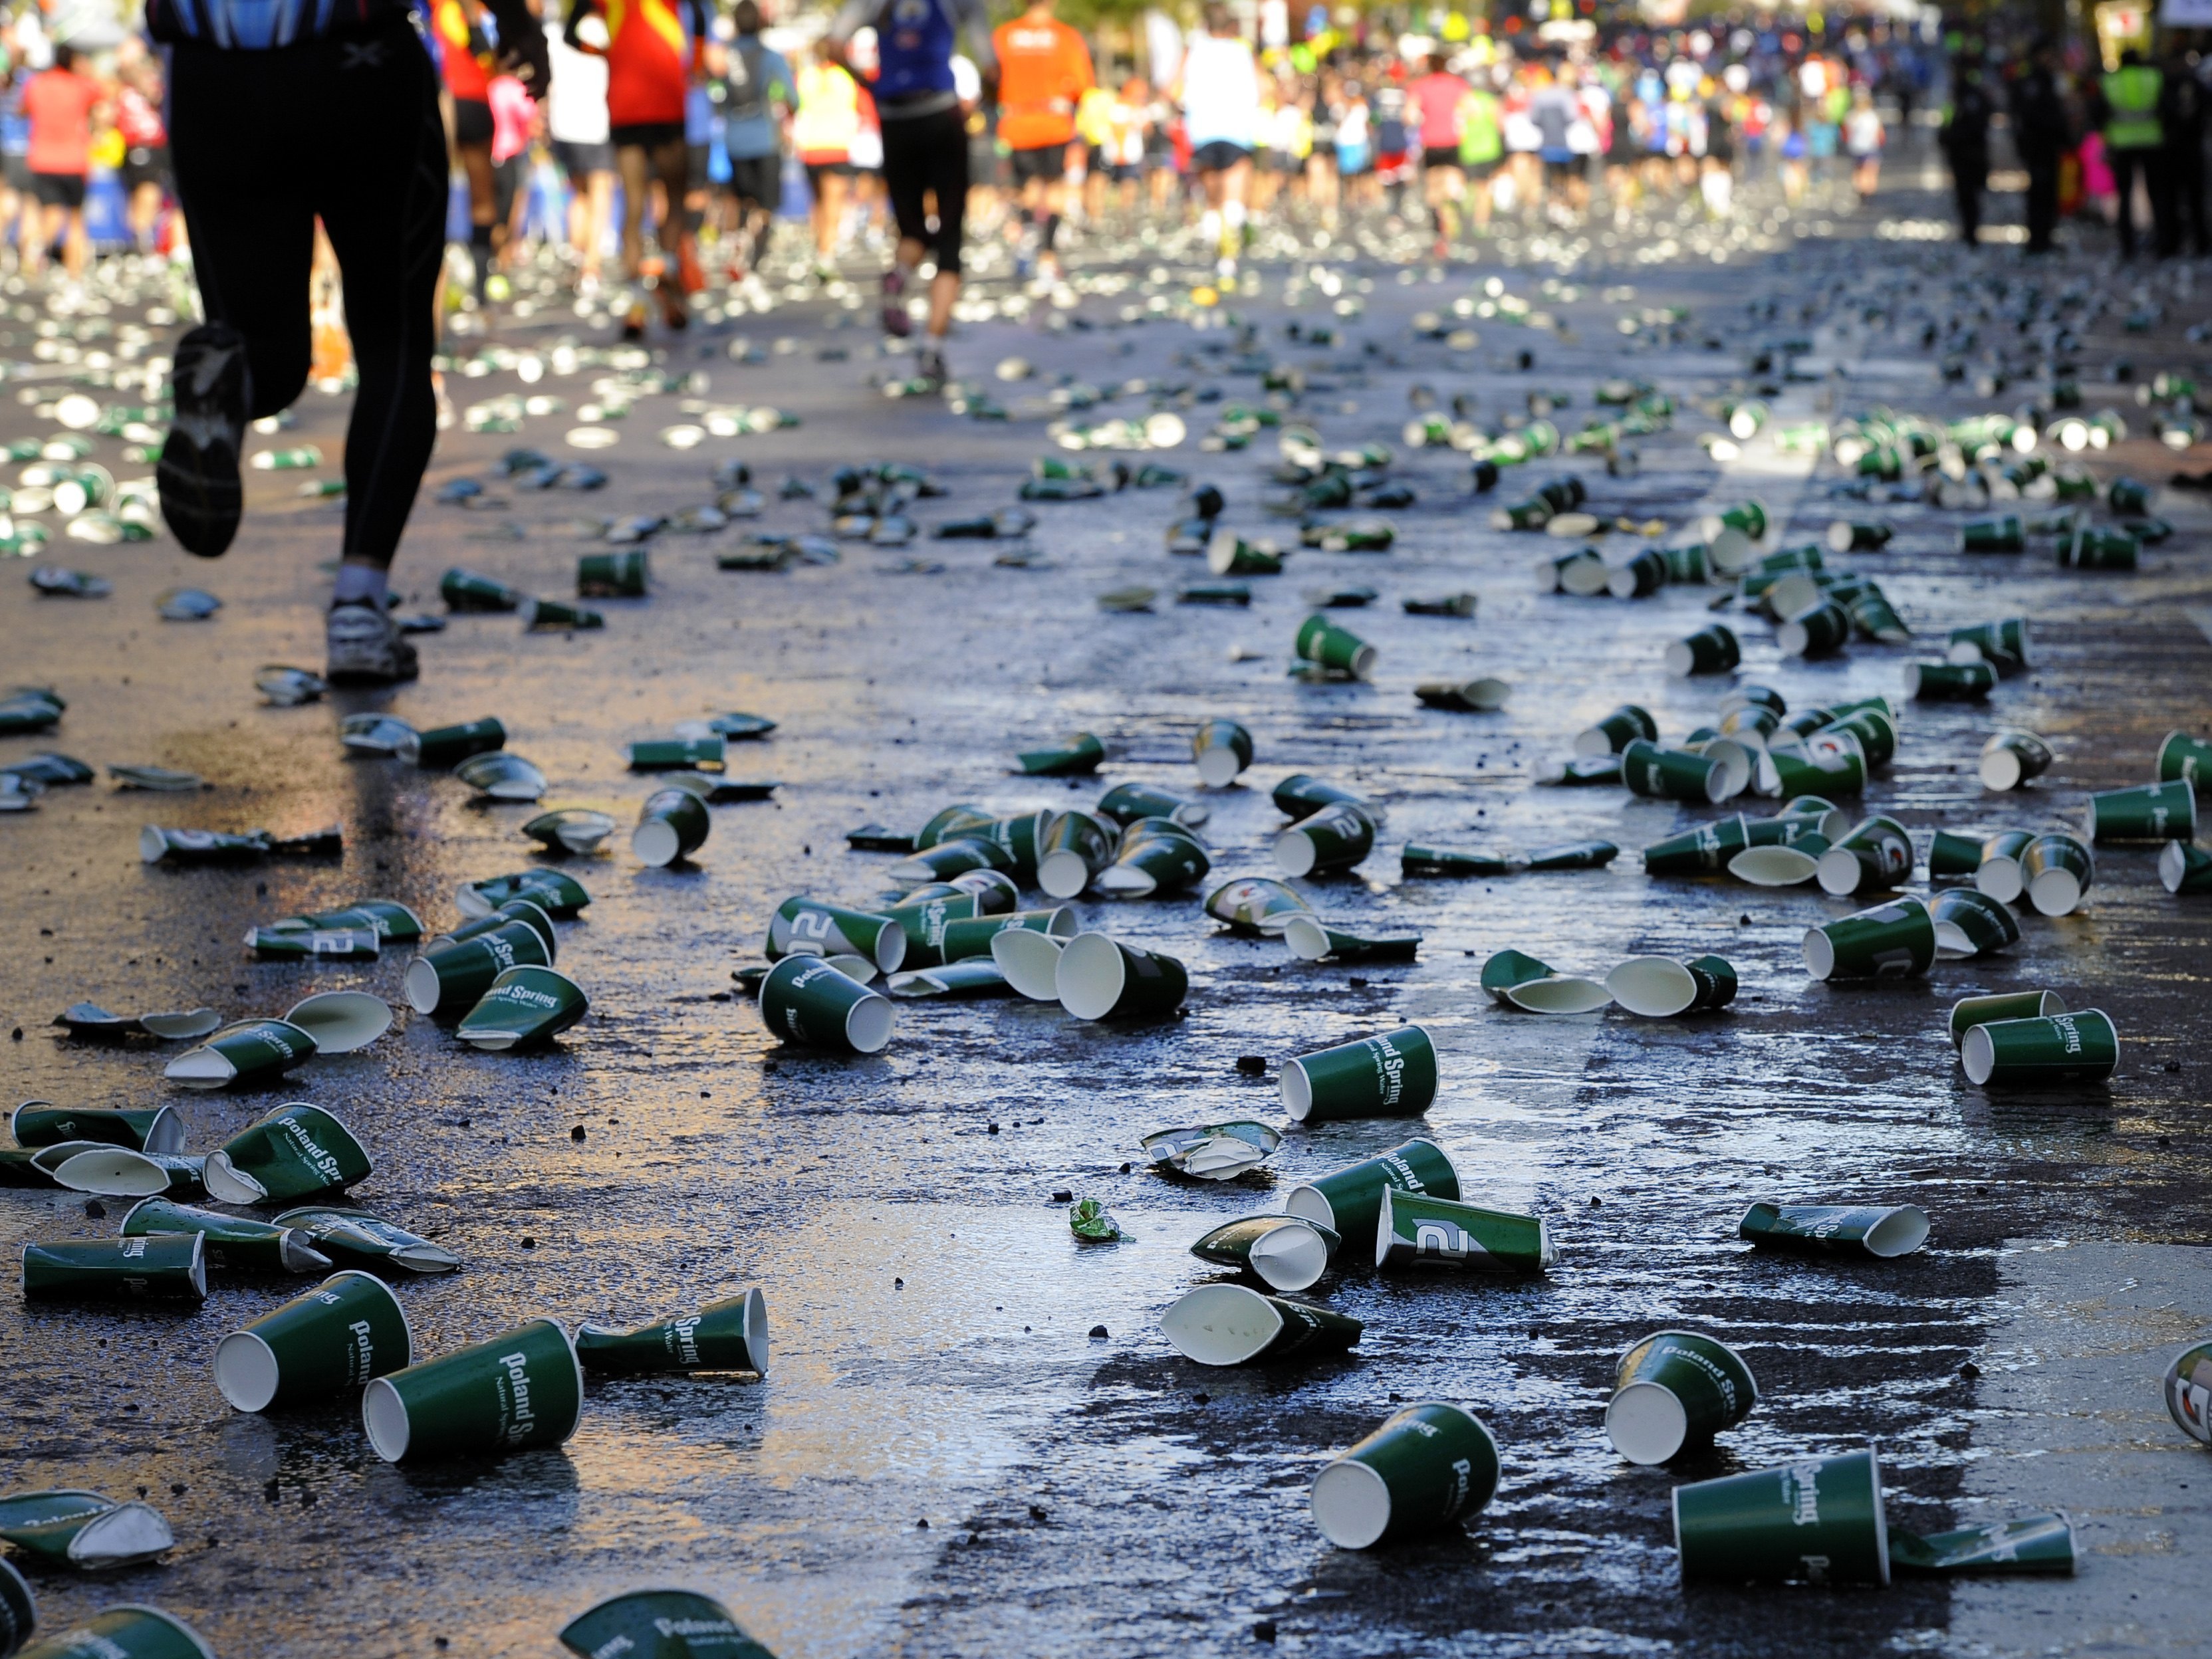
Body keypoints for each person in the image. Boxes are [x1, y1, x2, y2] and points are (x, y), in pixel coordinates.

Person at [146, 0, 548, 683]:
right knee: (395, 347)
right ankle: (358, 610)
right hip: (360, 62)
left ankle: (224, 382)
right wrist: (512, 18)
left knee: (260, 351)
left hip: (211, 74)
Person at [828, 0, 996, 386]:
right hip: (940, 112)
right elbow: (991, 65)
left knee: (913, 228)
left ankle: (898, 275)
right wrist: (986, 101)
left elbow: (835, 46)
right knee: (950, 240)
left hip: (894, 118)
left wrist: (872, 85)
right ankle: (931, 349)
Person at [566, 0, 707, 328]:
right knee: (672, 197)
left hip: (626, 105)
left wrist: (603, 53)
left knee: (634, 204)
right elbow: (699, 14)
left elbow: (569, 35)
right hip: (666, 100)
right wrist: (696, 61)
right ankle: (669, 276)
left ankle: (637, 300)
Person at [992, 0, 1091, 283]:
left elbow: (991, 76)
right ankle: (1048, 257)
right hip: (1053, 124)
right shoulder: (1065, 36)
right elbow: (1083, 85)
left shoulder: (1004, 35)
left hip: (1017, 124)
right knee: (1054, 189)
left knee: (1028, 188)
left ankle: (1027, 239)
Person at [1175, 4, 1260, 278]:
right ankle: (1228, 257)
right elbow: (1264, 87)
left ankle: (1216, 242)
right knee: (1233, 193)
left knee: (1212, 196)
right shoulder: (1243, 51)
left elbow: (1172, 88)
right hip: (1237, 129)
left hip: (1202, 130)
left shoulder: (1194, 51)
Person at [715, 0, 790, 282]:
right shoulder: (770, 56)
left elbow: (714, 91)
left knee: (745, 199)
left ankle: (742, 248)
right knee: (767, 204)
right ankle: (753, 257)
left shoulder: (725, 55)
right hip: (765, 138)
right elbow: (791, 96)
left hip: (734, 139)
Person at [433, 0, 500, 302]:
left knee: (433, 195)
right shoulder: (478, 9)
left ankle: (465, 286)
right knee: (481, 198)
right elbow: (490, 55)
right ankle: (479, 290)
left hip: (444, 101)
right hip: (468, 101)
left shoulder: (434, 8)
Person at [546, 5, 614, 289]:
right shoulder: (605, 31)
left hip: (564, 125)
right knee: (601, 195)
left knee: (579, 194)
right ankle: (591, 266)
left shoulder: (553, 33)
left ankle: (578, 256)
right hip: (598, 123)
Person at [21, 42, 100, 282]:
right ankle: (74, 276)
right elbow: (104, 99)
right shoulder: (81, 86)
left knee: (49, 214)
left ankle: (36, 249)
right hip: (74, 161)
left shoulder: (37, 84)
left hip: (42, 159)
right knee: (76, 220)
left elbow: (23, 109)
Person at [791, 43, 859, 279]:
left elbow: (792, 106)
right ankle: (825, 255)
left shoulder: (804, 77)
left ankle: (820, 250)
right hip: (837, 145)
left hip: (810, 147)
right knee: (833, 204)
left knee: (817, 203)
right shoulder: (845, 77)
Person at [2093, 46, 2165, 259]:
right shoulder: (2153, 78)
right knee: (2157, 193)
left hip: (2121, 143)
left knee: (2124, 194)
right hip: (2152, 141)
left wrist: (2104, 138)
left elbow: (2099, 112)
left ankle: (2128, 245)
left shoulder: (2110, 81)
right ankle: (2162, 241)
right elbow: (2165, 107)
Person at [2010, 37, 2068, 255]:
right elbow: (2033, 117)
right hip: (2039, 147)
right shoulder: (2033, 82)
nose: (2051, 59)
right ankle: (2038, 240)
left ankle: (2044, 238)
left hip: (2047, 147)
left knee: (2048, 194)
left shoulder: (2047, 80)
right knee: (2040, 195)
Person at [1410, 53, 1467, 257]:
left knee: (1433, 188)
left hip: (1431, 142)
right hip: (1452, 141)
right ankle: (1450, 223)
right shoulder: (1457, 85)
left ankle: (1439, 230)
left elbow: (1409, 115)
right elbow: (1472, 110)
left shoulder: (1421, 86)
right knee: (1451, 185)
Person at [115, 56, 172, 257]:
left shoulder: (153, 96)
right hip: (140, 147)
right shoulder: (125, 94)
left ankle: (142, 243)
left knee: (147, 197)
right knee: (148, 194)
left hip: (155, 148)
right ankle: (143, 245)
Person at [1939, 57, 1993, 248]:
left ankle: (1972, 231)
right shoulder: (1954, 95)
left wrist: (1953, 137)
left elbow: (1980, 123)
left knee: (1971, 195)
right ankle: (1968, 230)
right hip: (1960, 154)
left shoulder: (1973, 95)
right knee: (1964, 195)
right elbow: (1946, 120)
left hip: (1972, 153)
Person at [2160, 45, 2207, 258]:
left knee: (2177, 200)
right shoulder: (2189, 84)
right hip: (2185, 149)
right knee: (2190, 199)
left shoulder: (2169, 84)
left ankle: (2175, 244)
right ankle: (2198, 243)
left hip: (2174, 150)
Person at [1844, 84, 1883, 205]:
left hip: (1856, 147)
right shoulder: (1872, 117)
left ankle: (1859, 187)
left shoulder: (1851, 116)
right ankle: (1867, 191)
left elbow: (1846, 133)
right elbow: (1880, 134)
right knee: (1871, 170)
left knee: (1858, 169)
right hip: (1870, 147)